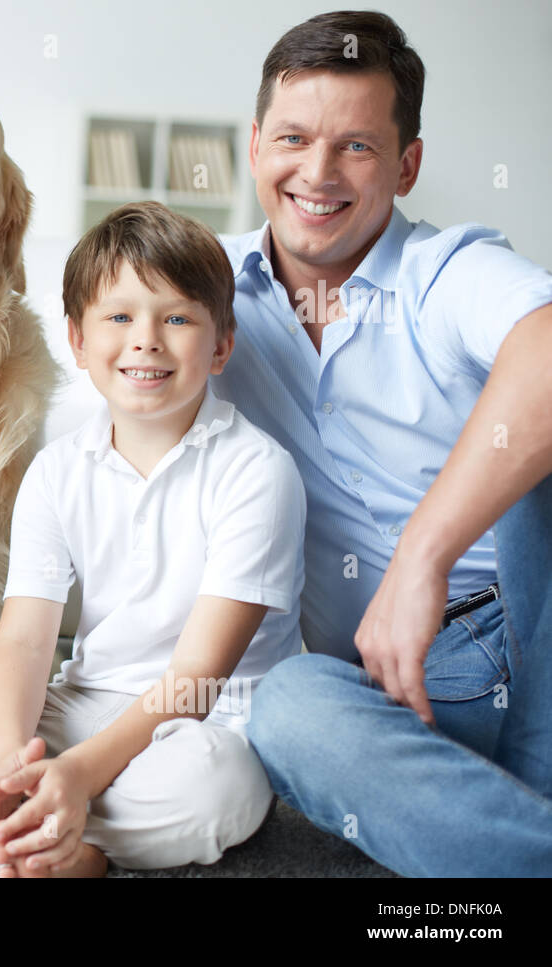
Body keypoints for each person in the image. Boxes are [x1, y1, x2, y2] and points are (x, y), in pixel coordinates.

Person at [0, 201, 307, 876]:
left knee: (217, 786)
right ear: (78, 342)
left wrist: (77, 773)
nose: (146, 340)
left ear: (221, 344)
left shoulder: (258, 471)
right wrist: (5, 762)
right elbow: (23, 640)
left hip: (200, 725)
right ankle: (19, 813)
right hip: (82, 706)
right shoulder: (57, 468)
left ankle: (31, 830)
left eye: (177, 318)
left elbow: (197, 680)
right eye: (119, 317)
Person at [212, 11, 552, 875]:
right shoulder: (196, 295)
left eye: (356, 148)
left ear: (406, 165)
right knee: (285, 707)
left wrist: (421, 558)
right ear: (256, 146)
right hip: (395, 700)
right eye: (293, 138)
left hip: (530, 633)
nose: (317, 174)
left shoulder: (448, 271)